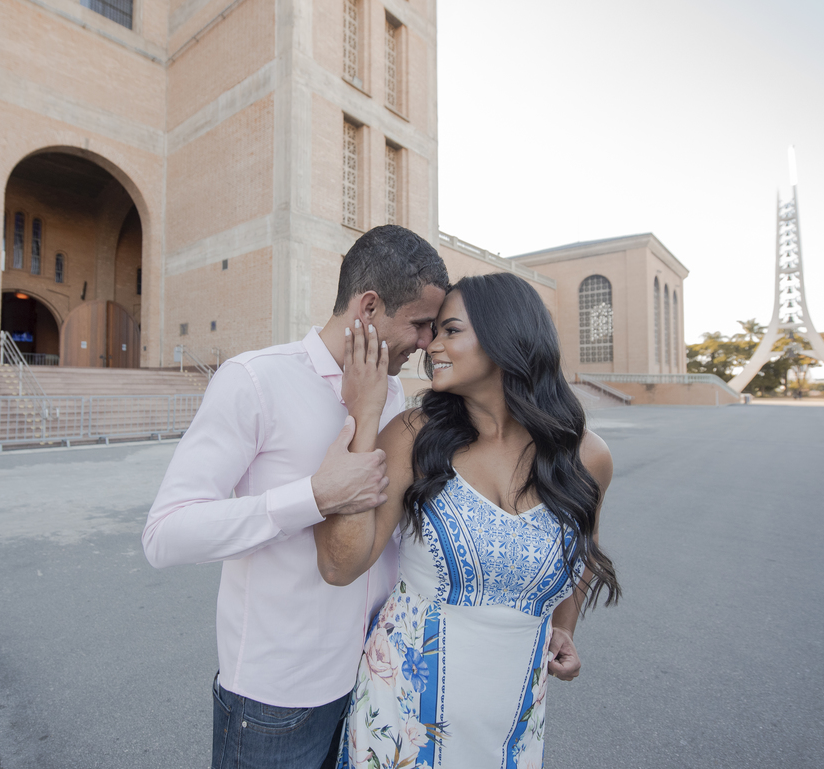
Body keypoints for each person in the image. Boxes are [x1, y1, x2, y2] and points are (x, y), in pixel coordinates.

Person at [142, 225, 450, 769]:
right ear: (370, 306)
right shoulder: (256, 381)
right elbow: (165, 534)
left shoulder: (394, 391)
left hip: (371, 683)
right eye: (420, 324)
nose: (427, 343)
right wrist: (311, 497)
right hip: (276, 699)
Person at [315, 272, 621, 769]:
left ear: (505, 338)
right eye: (433, 331)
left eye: (449, 330)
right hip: (401, 720)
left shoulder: (587, 457)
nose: (430, 345)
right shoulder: (415, 436)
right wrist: (365, 417)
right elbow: (339, 565)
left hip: (514, 721)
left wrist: (564, 628)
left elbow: (581, 549)